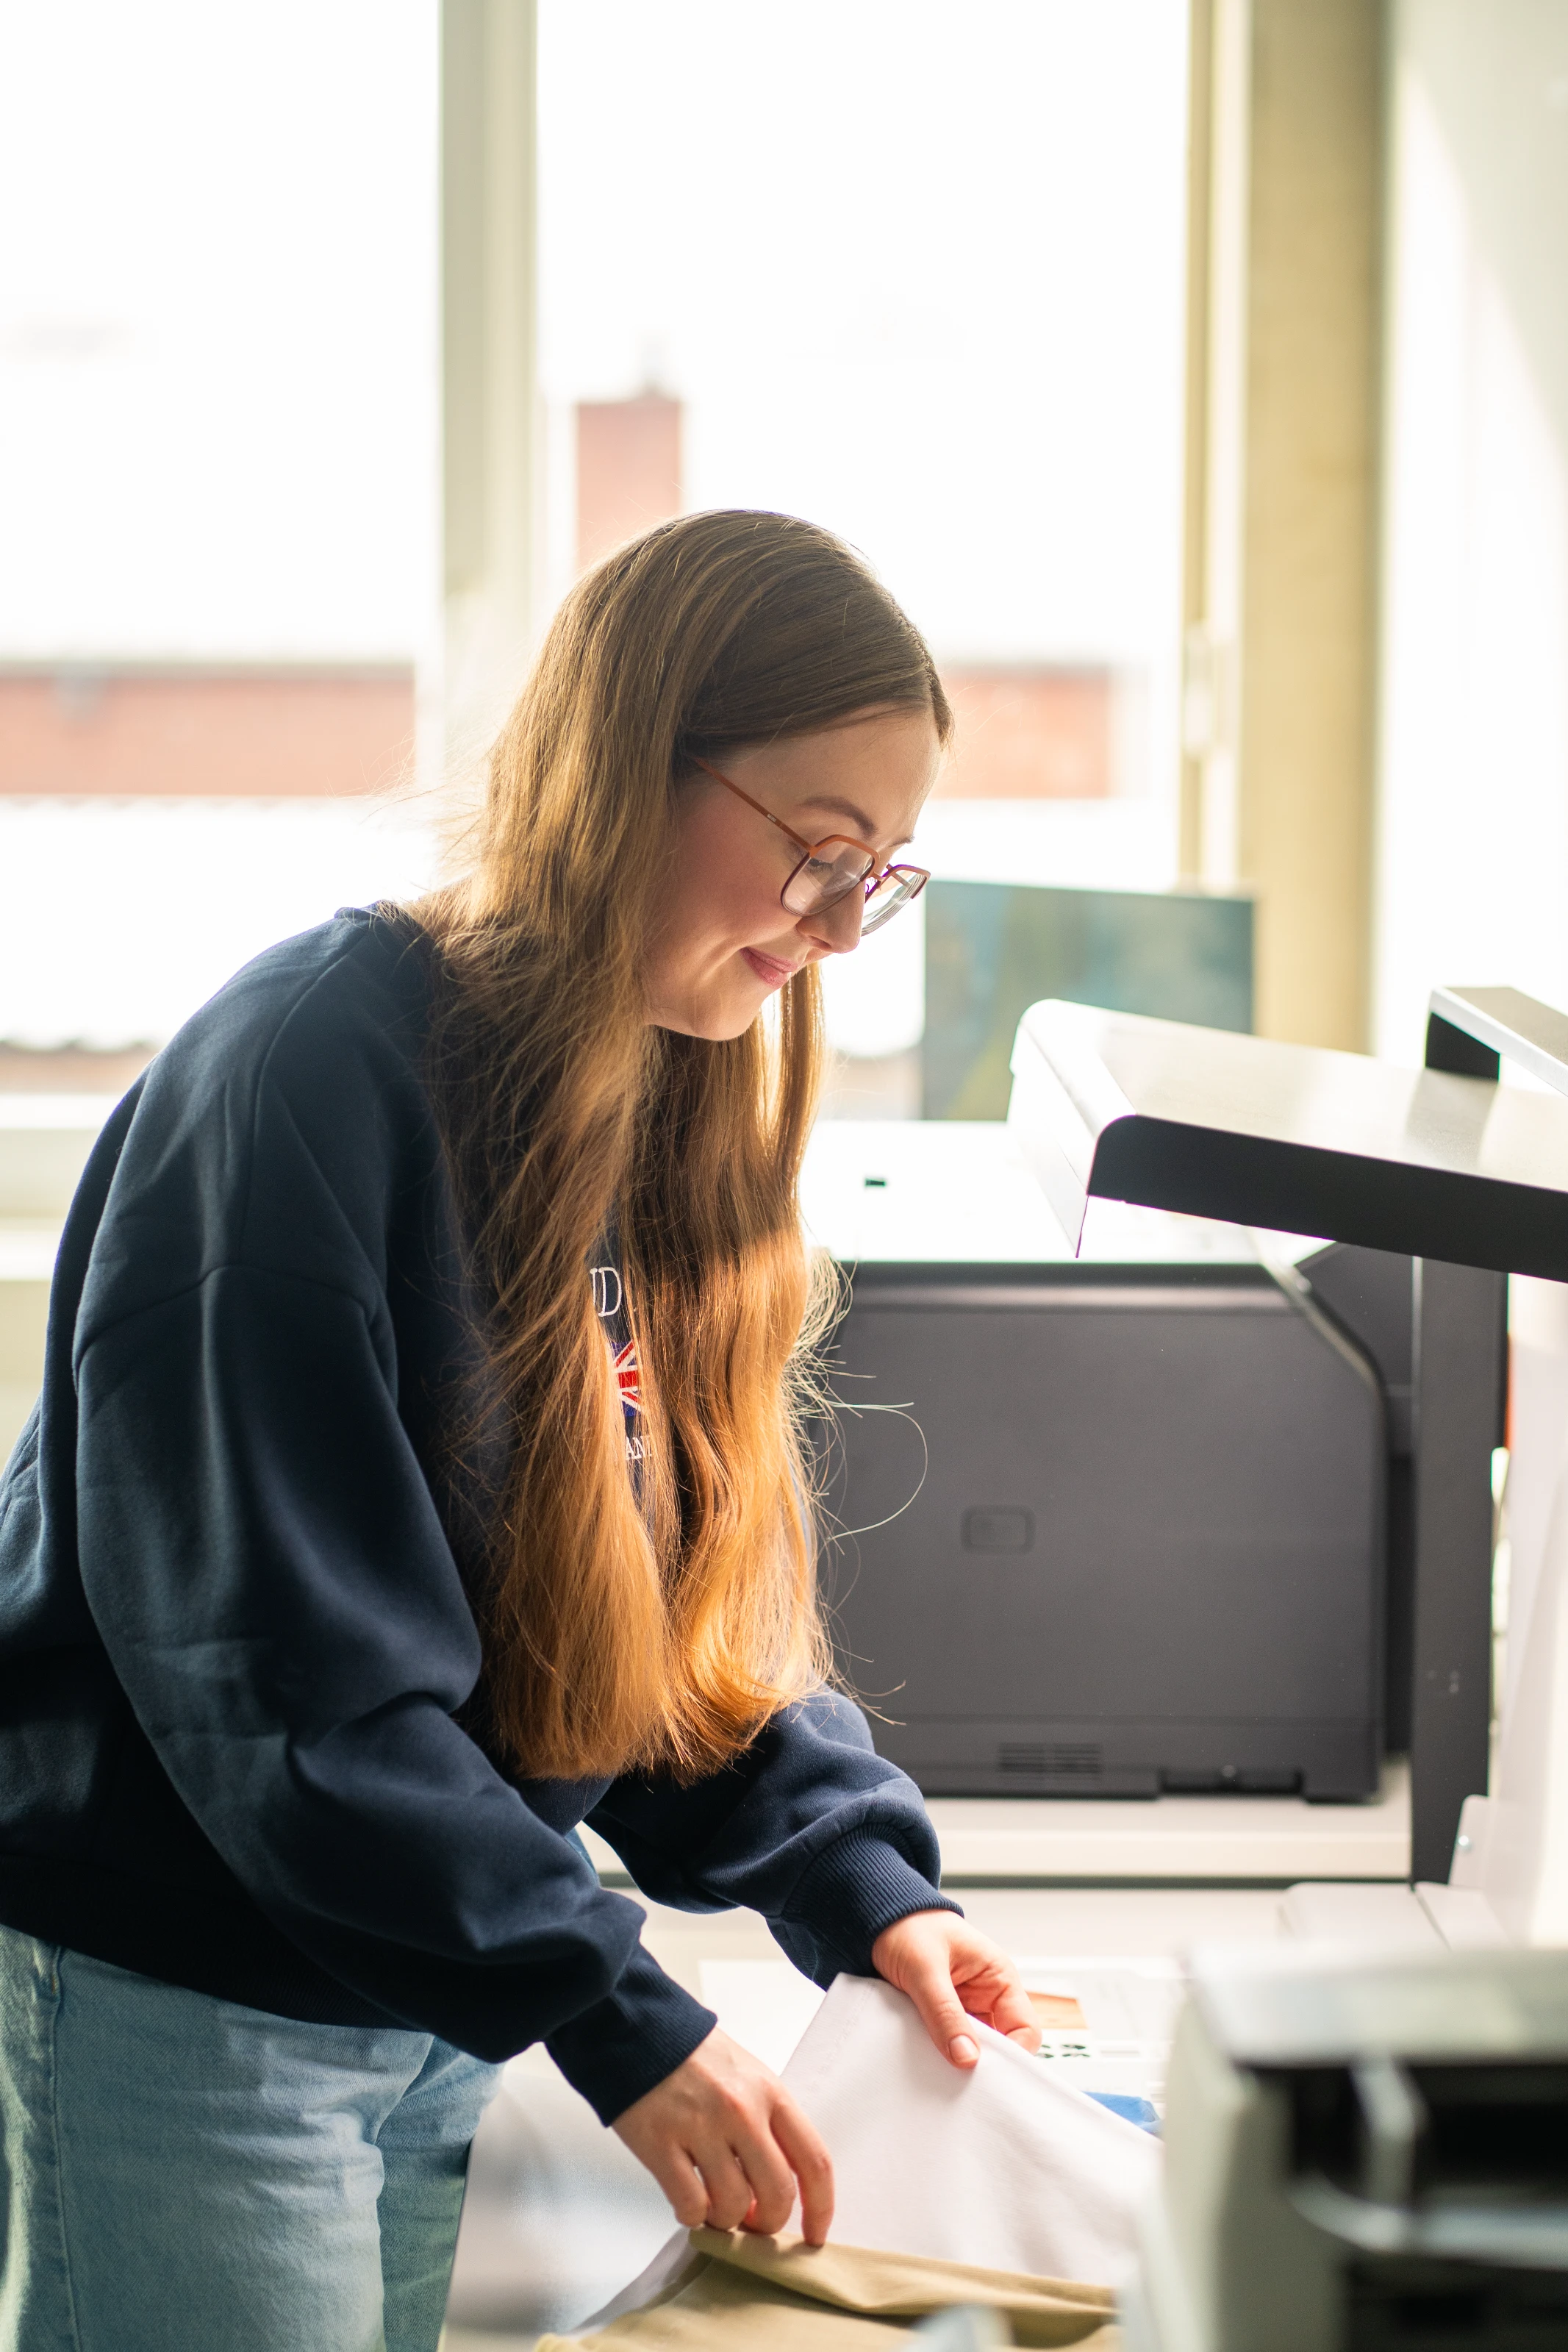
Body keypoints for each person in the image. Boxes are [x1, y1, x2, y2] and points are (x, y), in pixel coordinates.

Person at [0, 511, 1039, 2352]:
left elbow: (630, 1638)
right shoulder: (306, 1076)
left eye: (875, 880)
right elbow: (289, 1691)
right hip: (199, 2009)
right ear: (627, 763)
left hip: (414, 2007)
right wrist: (619, 2009)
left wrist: (859, 1885)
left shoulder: (651, 1093)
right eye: (814, 854)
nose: (827, 930)